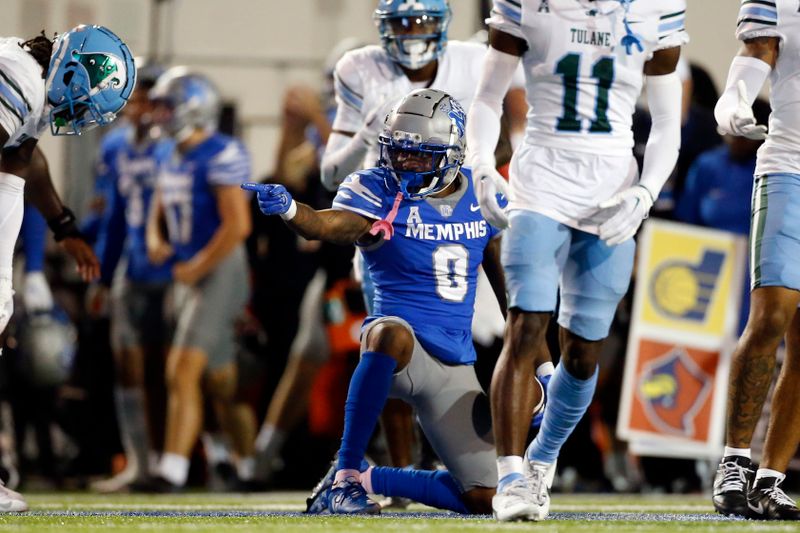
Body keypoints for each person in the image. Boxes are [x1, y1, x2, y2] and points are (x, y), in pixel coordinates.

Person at [467, 0, 687, 521]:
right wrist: (479, 164)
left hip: (612, 190)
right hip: (541, 182)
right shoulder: (527, 4)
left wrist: (645, 193)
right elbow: (486, 99)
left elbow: (667, 124)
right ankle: (512, 476)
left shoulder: (657, 8)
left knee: (585, 351)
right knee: (525, 326)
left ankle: (543, 459)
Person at [244, 89, 504, 515]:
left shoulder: (481, 192)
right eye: (399, 153)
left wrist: (529, 347)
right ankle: (346, 473)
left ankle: (368, 478)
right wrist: (293, 211)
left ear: (453, 153)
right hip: (396, 350)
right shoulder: (376, 191)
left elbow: (501, 267)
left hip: (454, 363)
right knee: (388, 331)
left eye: (420, 156)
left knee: (486, 498)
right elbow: (329, 225)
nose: (406, 164)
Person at [0, 24, 136, 511]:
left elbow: (23, 158)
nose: (85, 117)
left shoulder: (32, 85)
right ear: (74, 73)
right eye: (89, 101)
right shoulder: (19, 77)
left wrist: (63, 225)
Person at [711, 0, 800, 521]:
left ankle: (771, 478)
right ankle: (734, 462)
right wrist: (735, 95)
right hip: (790, 164)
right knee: (771, 316)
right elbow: (757, 50)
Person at [145, 68, 255, 490]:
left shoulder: (221, 151)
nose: (159, 113)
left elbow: (238, 225)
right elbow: (161, 200)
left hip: (220, 269)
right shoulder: (170, 153)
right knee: (218, 381)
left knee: (182, 368)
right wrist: (156, 237)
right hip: (191, 271)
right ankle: (241, 462)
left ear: (193, 106)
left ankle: (171, 468)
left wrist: (197, 267)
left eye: (166, 105)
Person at [88, 63, 175, 492]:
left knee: (168, 370)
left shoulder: (174, 145)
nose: (138, 107)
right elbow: (115, 216)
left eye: (146, 97)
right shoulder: (115, 145)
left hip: (172, 270)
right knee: (128, 364)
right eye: (132, 96)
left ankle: (168, 461)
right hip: (131, 265)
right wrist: (100, 274)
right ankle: (138, 462)